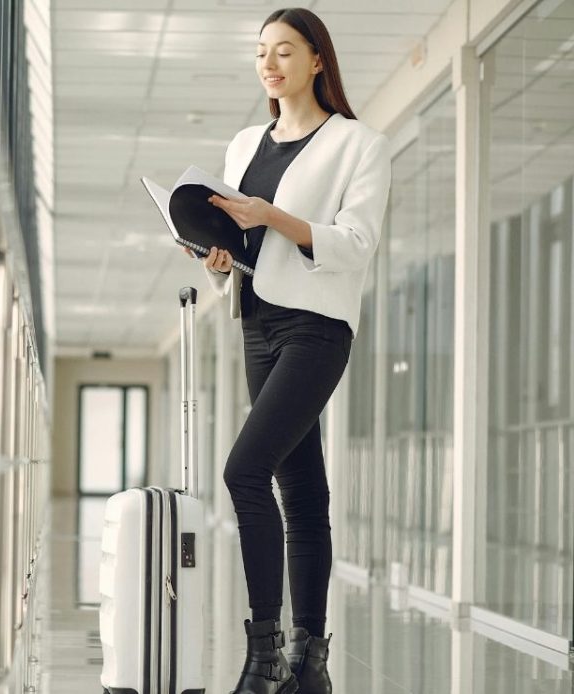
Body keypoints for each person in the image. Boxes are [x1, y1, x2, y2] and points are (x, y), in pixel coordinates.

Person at [184, 8, 392, 694]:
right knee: (300, 490)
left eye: (283, 51)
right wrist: (218, 256)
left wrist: (271, 215)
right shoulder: (246, 143)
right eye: (260, 53)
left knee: (244, 471)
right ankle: (311, 660)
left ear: (317, 61)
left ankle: (265, 651)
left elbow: (357, 243)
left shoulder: (359, 144)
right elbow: (241, 252)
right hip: (257, 321)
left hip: (317, 327)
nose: (269, 64)